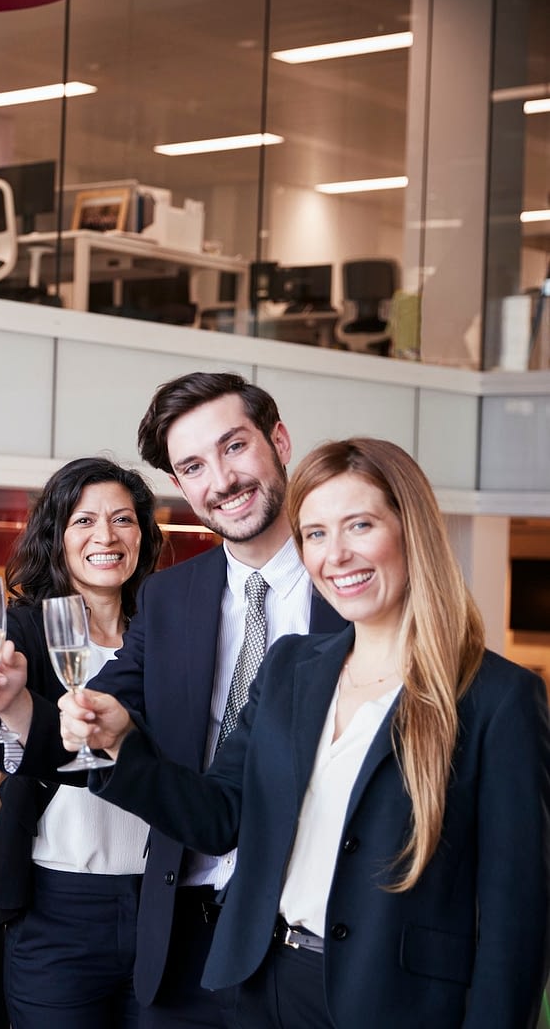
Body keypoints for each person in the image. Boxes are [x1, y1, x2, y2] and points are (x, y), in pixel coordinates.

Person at [61, 438, 550, 1027]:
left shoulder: (498, 698)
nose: (335, 554)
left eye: (359, 525)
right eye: (315, 533)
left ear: (410, 528)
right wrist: (120, 747)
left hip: (396, 1003)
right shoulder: (292, 667)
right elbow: (220, 816)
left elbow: (515, 919)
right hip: (263, 987)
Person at [0, 372, 346, 1028]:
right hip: (181, 932)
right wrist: (10, 701)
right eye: (193, 466)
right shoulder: (173, 600)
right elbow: (74, 733)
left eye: (235, 447)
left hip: (319, 934)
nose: (220, 479)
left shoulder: (349, 584)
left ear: (278, 440)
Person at [0, 456, 164, 1027]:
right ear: (56, 536)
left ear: (142, 534)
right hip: (58, 907)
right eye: (84, 521)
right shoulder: (24, 627)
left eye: (123, 519)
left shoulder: (169, 629)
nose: (106, 536)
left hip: (161, 904)